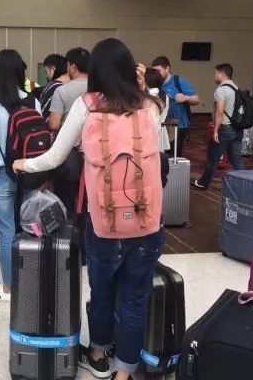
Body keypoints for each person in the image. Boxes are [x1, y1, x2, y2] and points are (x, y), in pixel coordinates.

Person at [12, 38, 165, 380]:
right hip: (147, 222)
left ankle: (98, 354)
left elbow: (55, 156)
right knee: (136, 299)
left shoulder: (87, 106)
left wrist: (23, 164)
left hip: (104, 221)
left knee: (102, 291)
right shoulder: (151, 107)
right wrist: (143, 87)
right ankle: (125, 372)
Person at [0, 49, 41, 302]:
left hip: (1, 173)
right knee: (30, 230)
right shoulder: (33, 101)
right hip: (29, 172)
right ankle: (31, 284)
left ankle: (8, 289)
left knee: (6, 232)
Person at [48, 47, 90, 221]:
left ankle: (69, 232)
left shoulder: (62, 91)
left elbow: (54, 124)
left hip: (69, 156)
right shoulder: (100, 90)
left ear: (73, 66)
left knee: (66, 201)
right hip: (93, 155)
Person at [194, 63, 244, 190]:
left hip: (225, 129)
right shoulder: (236, 88)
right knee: (236, 159)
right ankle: (245, 185)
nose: (214, 76)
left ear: (221, 74)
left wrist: (215, 130)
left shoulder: (221, 90)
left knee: (213, 157)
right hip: (237, 129)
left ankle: (203, 183)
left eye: (215, 73)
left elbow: (219, 112)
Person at [151, 56, 200, 157]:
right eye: (154, 71)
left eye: (159, 70)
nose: (156, 74)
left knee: (174, 154)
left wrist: (185, 98)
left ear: (167, 68)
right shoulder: (155, 83)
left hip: (179, 125)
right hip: (161, 124)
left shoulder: (179, 81)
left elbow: (197, 99)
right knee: (160, 153)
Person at [144, 68, 170, 152]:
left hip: (149, 138)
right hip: (159, 135)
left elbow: (152, 122)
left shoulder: (149, 99)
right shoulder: (164, 96)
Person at [39, 53, 68, 121]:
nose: (46, 76)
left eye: (46, 72)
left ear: (52, 70)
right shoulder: (70, 86)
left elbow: (43, 115)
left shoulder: (52, 87)